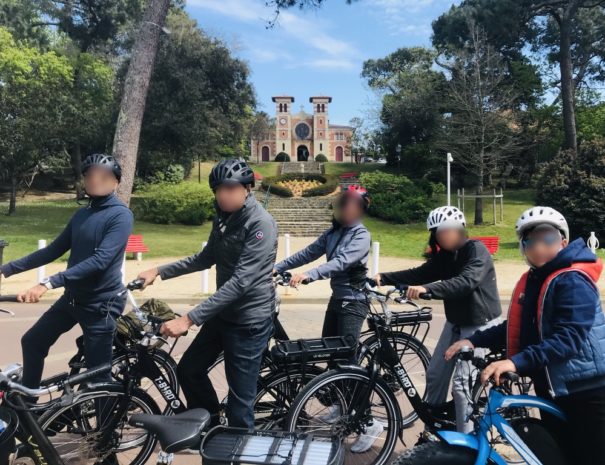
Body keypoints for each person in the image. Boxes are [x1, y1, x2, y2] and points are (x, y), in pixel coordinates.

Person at [446, 206, 605, 465]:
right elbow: (518, 326)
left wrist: (515, 362)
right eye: (530, 241)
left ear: (563, 241)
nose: (538, 246)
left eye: (548, 239)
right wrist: (474, 340)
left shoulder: (572, 280)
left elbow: (570, 337)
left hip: (585, 392)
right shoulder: (539, 278)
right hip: (555, 388)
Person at [136, 159, 277, 429]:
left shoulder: (261, 224)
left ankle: (236, 449)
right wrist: (158, 270)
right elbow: (205, 258)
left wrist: (188, 319)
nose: (223, 195)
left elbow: (240, 283)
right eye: (218, 189)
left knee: (239, 404)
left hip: (249, 321)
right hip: (223, 314)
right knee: (189, 370)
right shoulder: (223, 218)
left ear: (247, 188)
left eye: (230, 188)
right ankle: (210, 427)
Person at [0, 154, 133, 388]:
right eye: (90, 175)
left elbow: (100, 260)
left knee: (97, 378)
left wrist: (47, 283)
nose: (96, 180)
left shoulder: (120, 215)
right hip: (72, 300)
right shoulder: (83, 214)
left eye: (104, 176)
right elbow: (52, 251)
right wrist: (6, 269)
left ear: (116, 183)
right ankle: (28, 402)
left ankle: (106, 424)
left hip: (100, 305)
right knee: (32, 342)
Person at [374, 206, 502, 433]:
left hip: (479, 324)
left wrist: (427, 289)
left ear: (460, 230)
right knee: (435, 375)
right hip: (455, 323)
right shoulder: (444, 257)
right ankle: (433, 430)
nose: (444, 236)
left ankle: (467, 444)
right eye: (439, 232)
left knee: (463, 385)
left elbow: (466, 281)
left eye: (448, 231)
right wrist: (384, 278)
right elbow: (418, 274)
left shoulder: (476, 250)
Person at [273, 184, 377, 452]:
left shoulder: (361, 235)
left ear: (362, 210)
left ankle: (369, 423)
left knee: (348, 362)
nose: (349, 209)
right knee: (333, 358)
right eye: (346, 203)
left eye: (355, 205)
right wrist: (275, 267)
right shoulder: (334, 232)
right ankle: (341, 405)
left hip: (354, 303)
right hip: (337, 300)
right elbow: (307, 252)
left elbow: (341, 262)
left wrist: (310, 274)